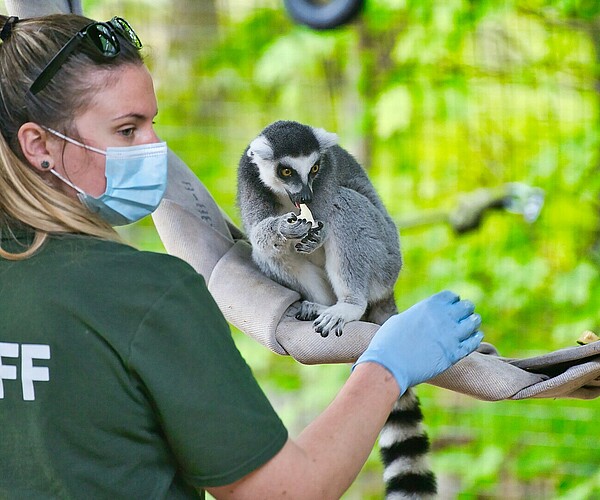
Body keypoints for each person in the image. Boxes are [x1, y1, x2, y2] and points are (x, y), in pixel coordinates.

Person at [0, 13, 484, 498]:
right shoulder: (144, 294)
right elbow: (283, 492)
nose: (155, 148)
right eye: (127, 130)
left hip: (353, 276)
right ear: (38, 145)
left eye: (152, 124)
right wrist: (388, 365)